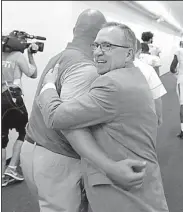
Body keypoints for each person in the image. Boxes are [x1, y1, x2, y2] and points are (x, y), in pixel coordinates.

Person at [20, 10, 146, 212]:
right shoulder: (86, 68)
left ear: (74, 30)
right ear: (99, 35)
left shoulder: (60, 57)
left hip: (34, 150)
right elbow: (67, 124)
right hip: (57, 158)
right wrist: (109, 167)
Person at [37, 22, 169, 212]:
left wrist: (48, 86)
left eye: (107, 46)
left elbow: (55, 117)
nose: (98, 52)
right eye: (96, 45)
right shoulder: (131, 74)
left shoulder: (112, 84)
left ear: (129, 54)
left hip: (126, 197)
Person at [2, 32, 38, 187]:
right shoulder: (17, 56)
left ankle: (2, 176)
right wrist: (31, 55)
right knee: (24, 131)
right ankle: (11, 168)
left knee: (2, 138)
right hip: (13, 97)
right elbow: (32, 73)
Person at [134, 39, 167, 126]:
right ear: (139, 50)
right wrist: (159, 116)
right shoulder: (147, 69)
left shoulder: (113, 66)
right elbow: (157, 98)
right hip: (142, 113)